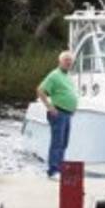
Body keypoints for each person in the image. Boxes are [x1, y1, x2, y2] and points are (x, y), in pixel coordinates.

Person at [36, 50, 78, 179]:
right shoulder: (54, 75)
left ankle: (60, 169)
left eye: (70, 60)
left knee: (64, 143)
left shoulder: (68, 77)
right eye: (66, 60)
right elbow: (40, 90)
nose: (68, 62)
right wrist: (49, 106)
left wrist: (73, 107)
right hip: (58, 113)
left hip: (67, 114)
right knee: (57, 142)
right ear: (60, 61)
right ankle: (53, 171)